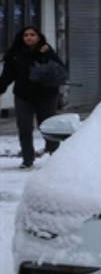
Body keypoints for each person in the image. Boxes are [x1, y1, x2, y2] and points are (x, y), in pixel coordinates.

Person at [0, 27, 65, 169]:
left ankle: (55, 155)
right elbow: (7, 75)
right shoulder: (15, 54)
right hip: (23, 96)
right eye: (26, 35)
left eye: (32, 35)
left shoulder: (46, 50)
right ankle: (27, 159)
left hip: (47, 95)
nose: (29, 37)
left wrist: (49, 53)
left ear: (38, 37)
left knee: (48, 127)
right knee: (24, 127)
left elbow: (60, 68)